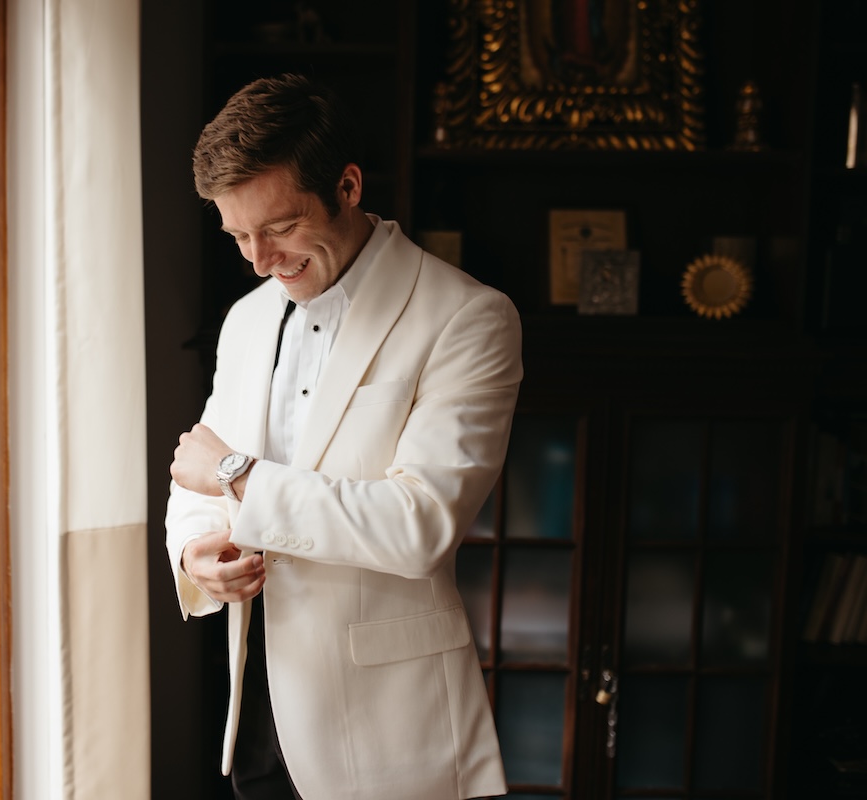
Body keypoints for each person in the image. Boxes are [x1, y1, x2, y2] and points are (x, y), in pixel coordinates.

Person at [166, 74, 522, 800]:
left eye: (280, 227)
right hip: (258, 713)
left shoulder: (469, 319)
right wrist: (196, 551)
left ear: (349, 186)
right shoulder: (247, 320)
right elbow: (197, 480)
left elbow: (418, 525)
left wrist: (236, 475)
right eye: (238, 235)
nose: (260, 260)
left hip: (391, 736)